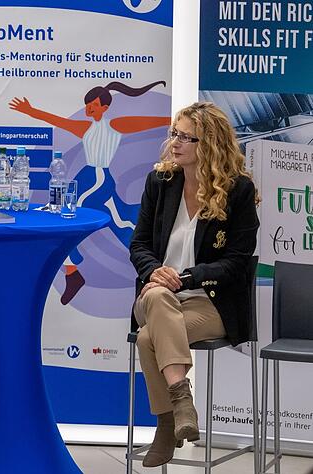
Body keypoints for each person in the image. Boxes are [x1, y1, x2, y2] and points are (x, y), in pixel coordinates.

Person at [129, 102, 259, 467]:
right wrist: (155, 270)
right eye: (174, 133)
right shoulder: (161, 182)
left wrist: (188, 277)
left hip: (210, 302)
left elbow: (236, 261)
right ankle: (182, 398)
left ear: (211, 144)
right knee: (156, 295)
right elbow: (138, 244)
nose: (175, 142)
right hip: (155, 296)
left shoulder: (238, 191)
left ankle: (166, 424)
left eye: (187, 137)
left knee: (146, 338)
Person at [9, 81, 169, 304]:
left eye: (93, 105)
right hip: (88, 176)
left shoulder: (116, 125)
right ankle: (76, 272)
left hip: (98, 178)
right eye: (87, 105)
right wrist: (30, 111)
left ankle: (76, 272)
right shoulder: (85, 128)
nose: (89, 109)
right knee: (118, 220)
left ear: (104, 107)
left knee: (70, 218)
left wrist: (181, 118)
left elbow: (155, 122)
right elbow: (57, 121)